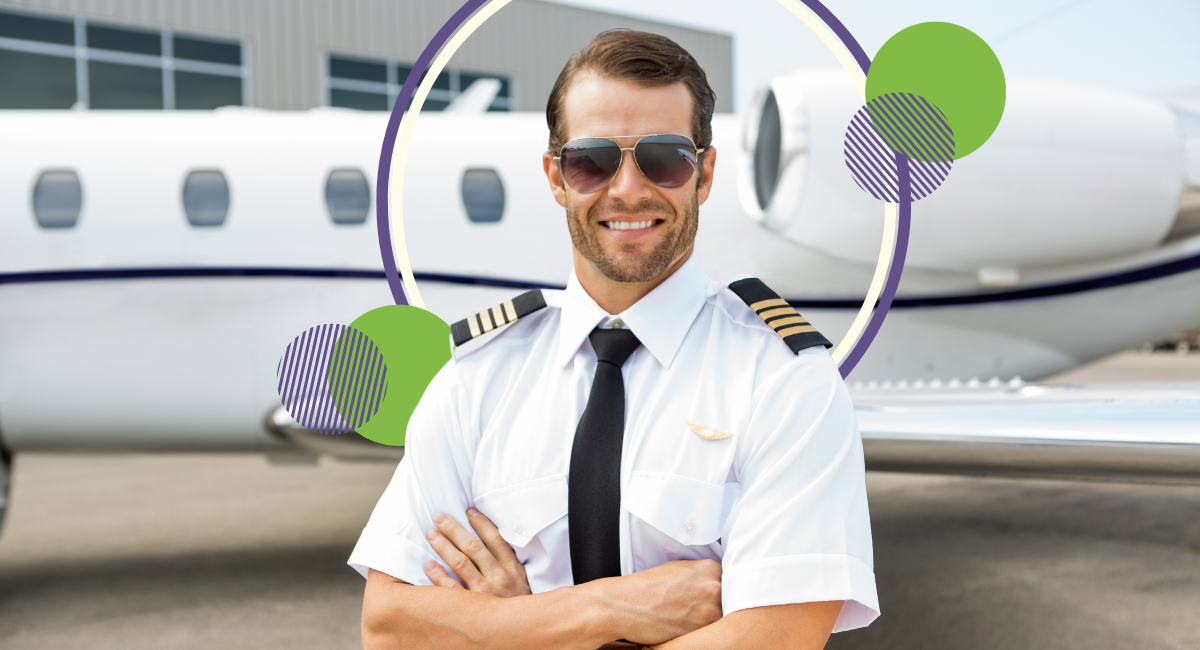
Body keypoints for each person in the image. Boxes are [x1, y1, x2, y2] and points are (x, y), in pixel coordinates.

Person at [350, 29, 878, 650]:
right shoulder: (475, 377)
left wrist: (510, 628)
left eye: (664, 157)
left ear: (704, 175)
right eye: (592, 160)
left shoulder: (785, 379)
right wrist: (606, 610)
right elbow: (388, 628)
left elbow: (779, 637)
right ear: (556, 177)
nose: (628, 189)